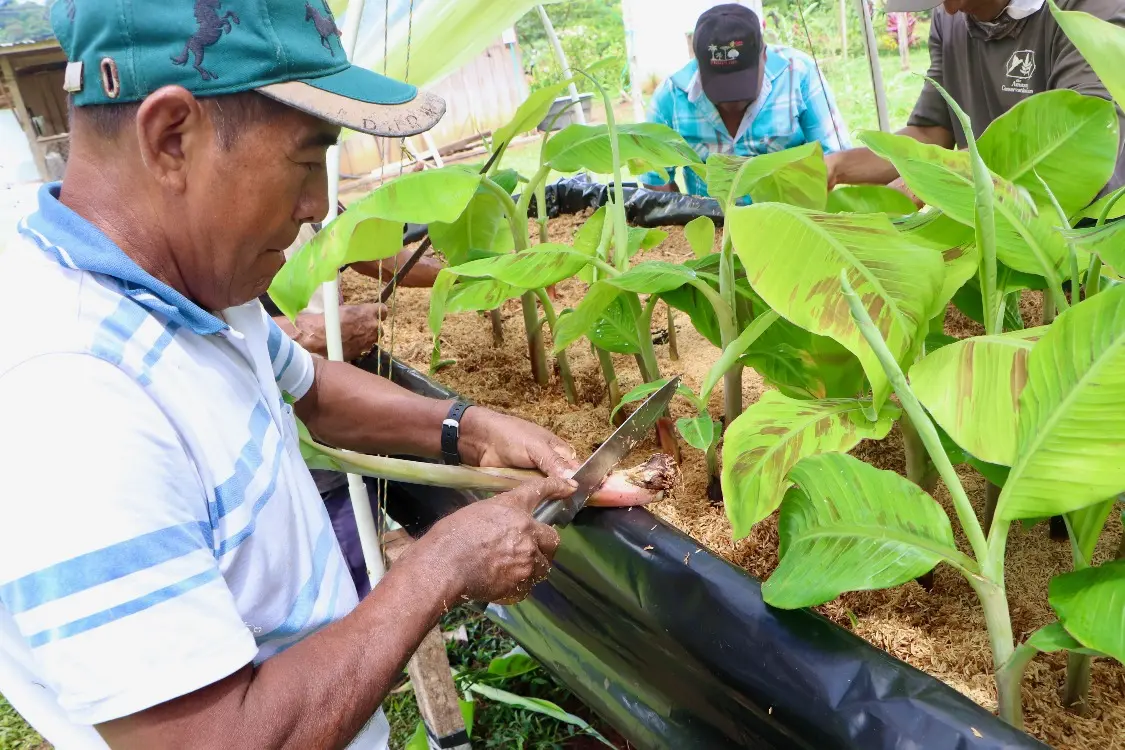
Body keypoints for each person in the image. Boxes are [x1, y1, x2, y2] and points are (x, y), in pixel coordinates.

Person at [0, 3, 652, 750]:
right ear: (171, 137)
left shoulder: (192, 286)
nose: (317, 210)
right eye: (308, 162)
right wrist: (440, 567)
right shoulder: (69, 400)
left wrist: (466, 430)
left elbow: (311, 386)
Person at [825, 0, 1125, 201]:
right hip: (997, 228)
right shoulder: (948, 18)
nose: (950, 8)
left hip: (1092, 244)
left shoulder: (1090, 9)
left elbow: (1081, 134)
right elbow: (931, 133)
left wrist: (936, 177)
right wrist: (836, 166)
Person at [641, 3, 850, 198]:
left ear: (764, 56)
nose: (733, 104)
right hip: (713, 225)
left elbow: (834, 158)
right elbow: (655, 179)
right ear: (697, 63)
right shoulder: (671, 97)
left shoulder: (799, 75)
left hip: (786, 219)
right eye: (721, 88)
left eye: (741, 84)